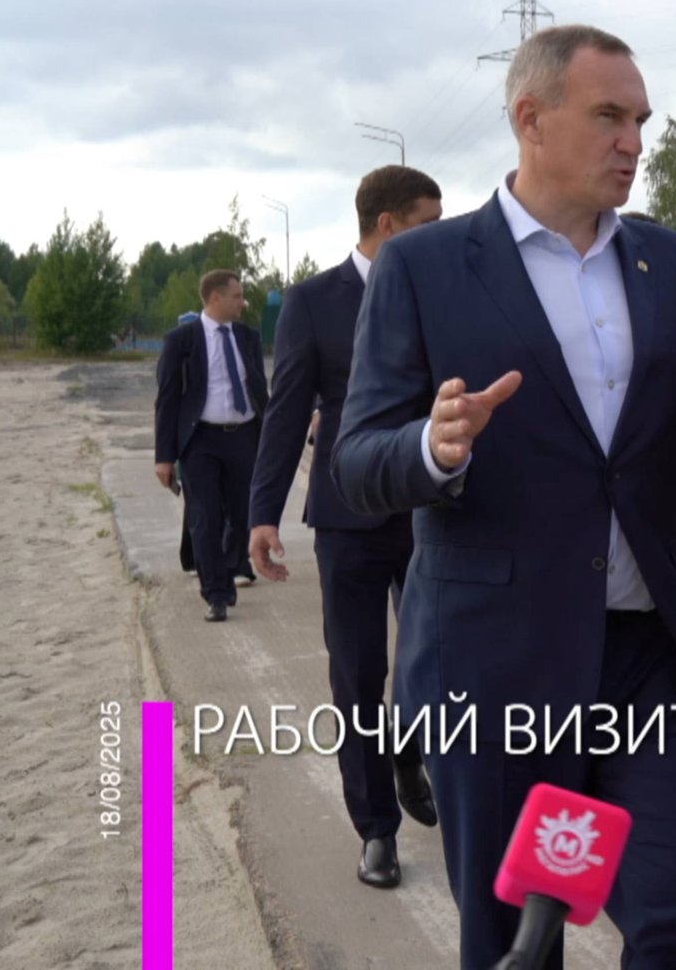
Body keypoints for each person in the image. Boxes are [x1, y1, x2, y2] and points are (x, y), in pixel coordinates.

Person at [332, 24, 676, 970]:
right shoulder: (426, 267)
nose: (634, 141)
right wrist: (432, 448)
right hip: (498, 660)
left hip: (647, 656)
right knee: (518, 940)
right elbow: (358, 458)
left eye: (641, 120)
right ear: (531, 119)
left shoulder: (671, 264)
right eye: (610, 116)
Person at [246, 165, 444, 888]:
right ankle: (376, 829)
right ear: (387, 225)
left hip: (432, 510)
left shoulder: (442, 289)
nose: (438, 236)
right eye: (426, 223)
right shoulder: (313, 302)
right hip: (348, 517)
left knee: (438, 660)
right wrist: (262, 512)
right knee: (357, 673)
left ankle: (409, 747)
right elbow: (287, 410)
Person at [154, 269, 267, 622]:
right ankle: (216, 593)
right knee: (205, 518)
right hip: (200, 440)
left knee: (243, 514)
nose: (243, 302)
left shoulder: (248, 337)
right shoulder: (182, 340)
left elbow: (259, 390)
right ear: (215, 298)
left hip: (244, 437)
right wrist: (164, 457)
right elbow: (167, 399)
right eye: (237, 296)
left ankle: (230, 568)